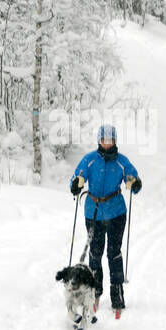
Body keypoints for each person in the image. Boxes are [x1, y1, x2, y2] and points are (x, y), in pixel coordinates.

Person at [70, 124, 141, 312]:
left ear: (115, 141)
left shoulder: (121, 162)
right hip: (93, 212)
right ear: (99, 141)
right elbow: (77, 177)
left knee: (113, 252)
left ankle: (116, 291)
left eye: (110, 140)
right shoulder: (90, 160)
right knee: (95, 252)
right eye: (104, 140)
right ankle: (95, 289)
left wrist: (134, 183)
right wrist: (76, 184)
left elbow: (131, 177)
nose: (107, 143)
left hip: (116, 212)